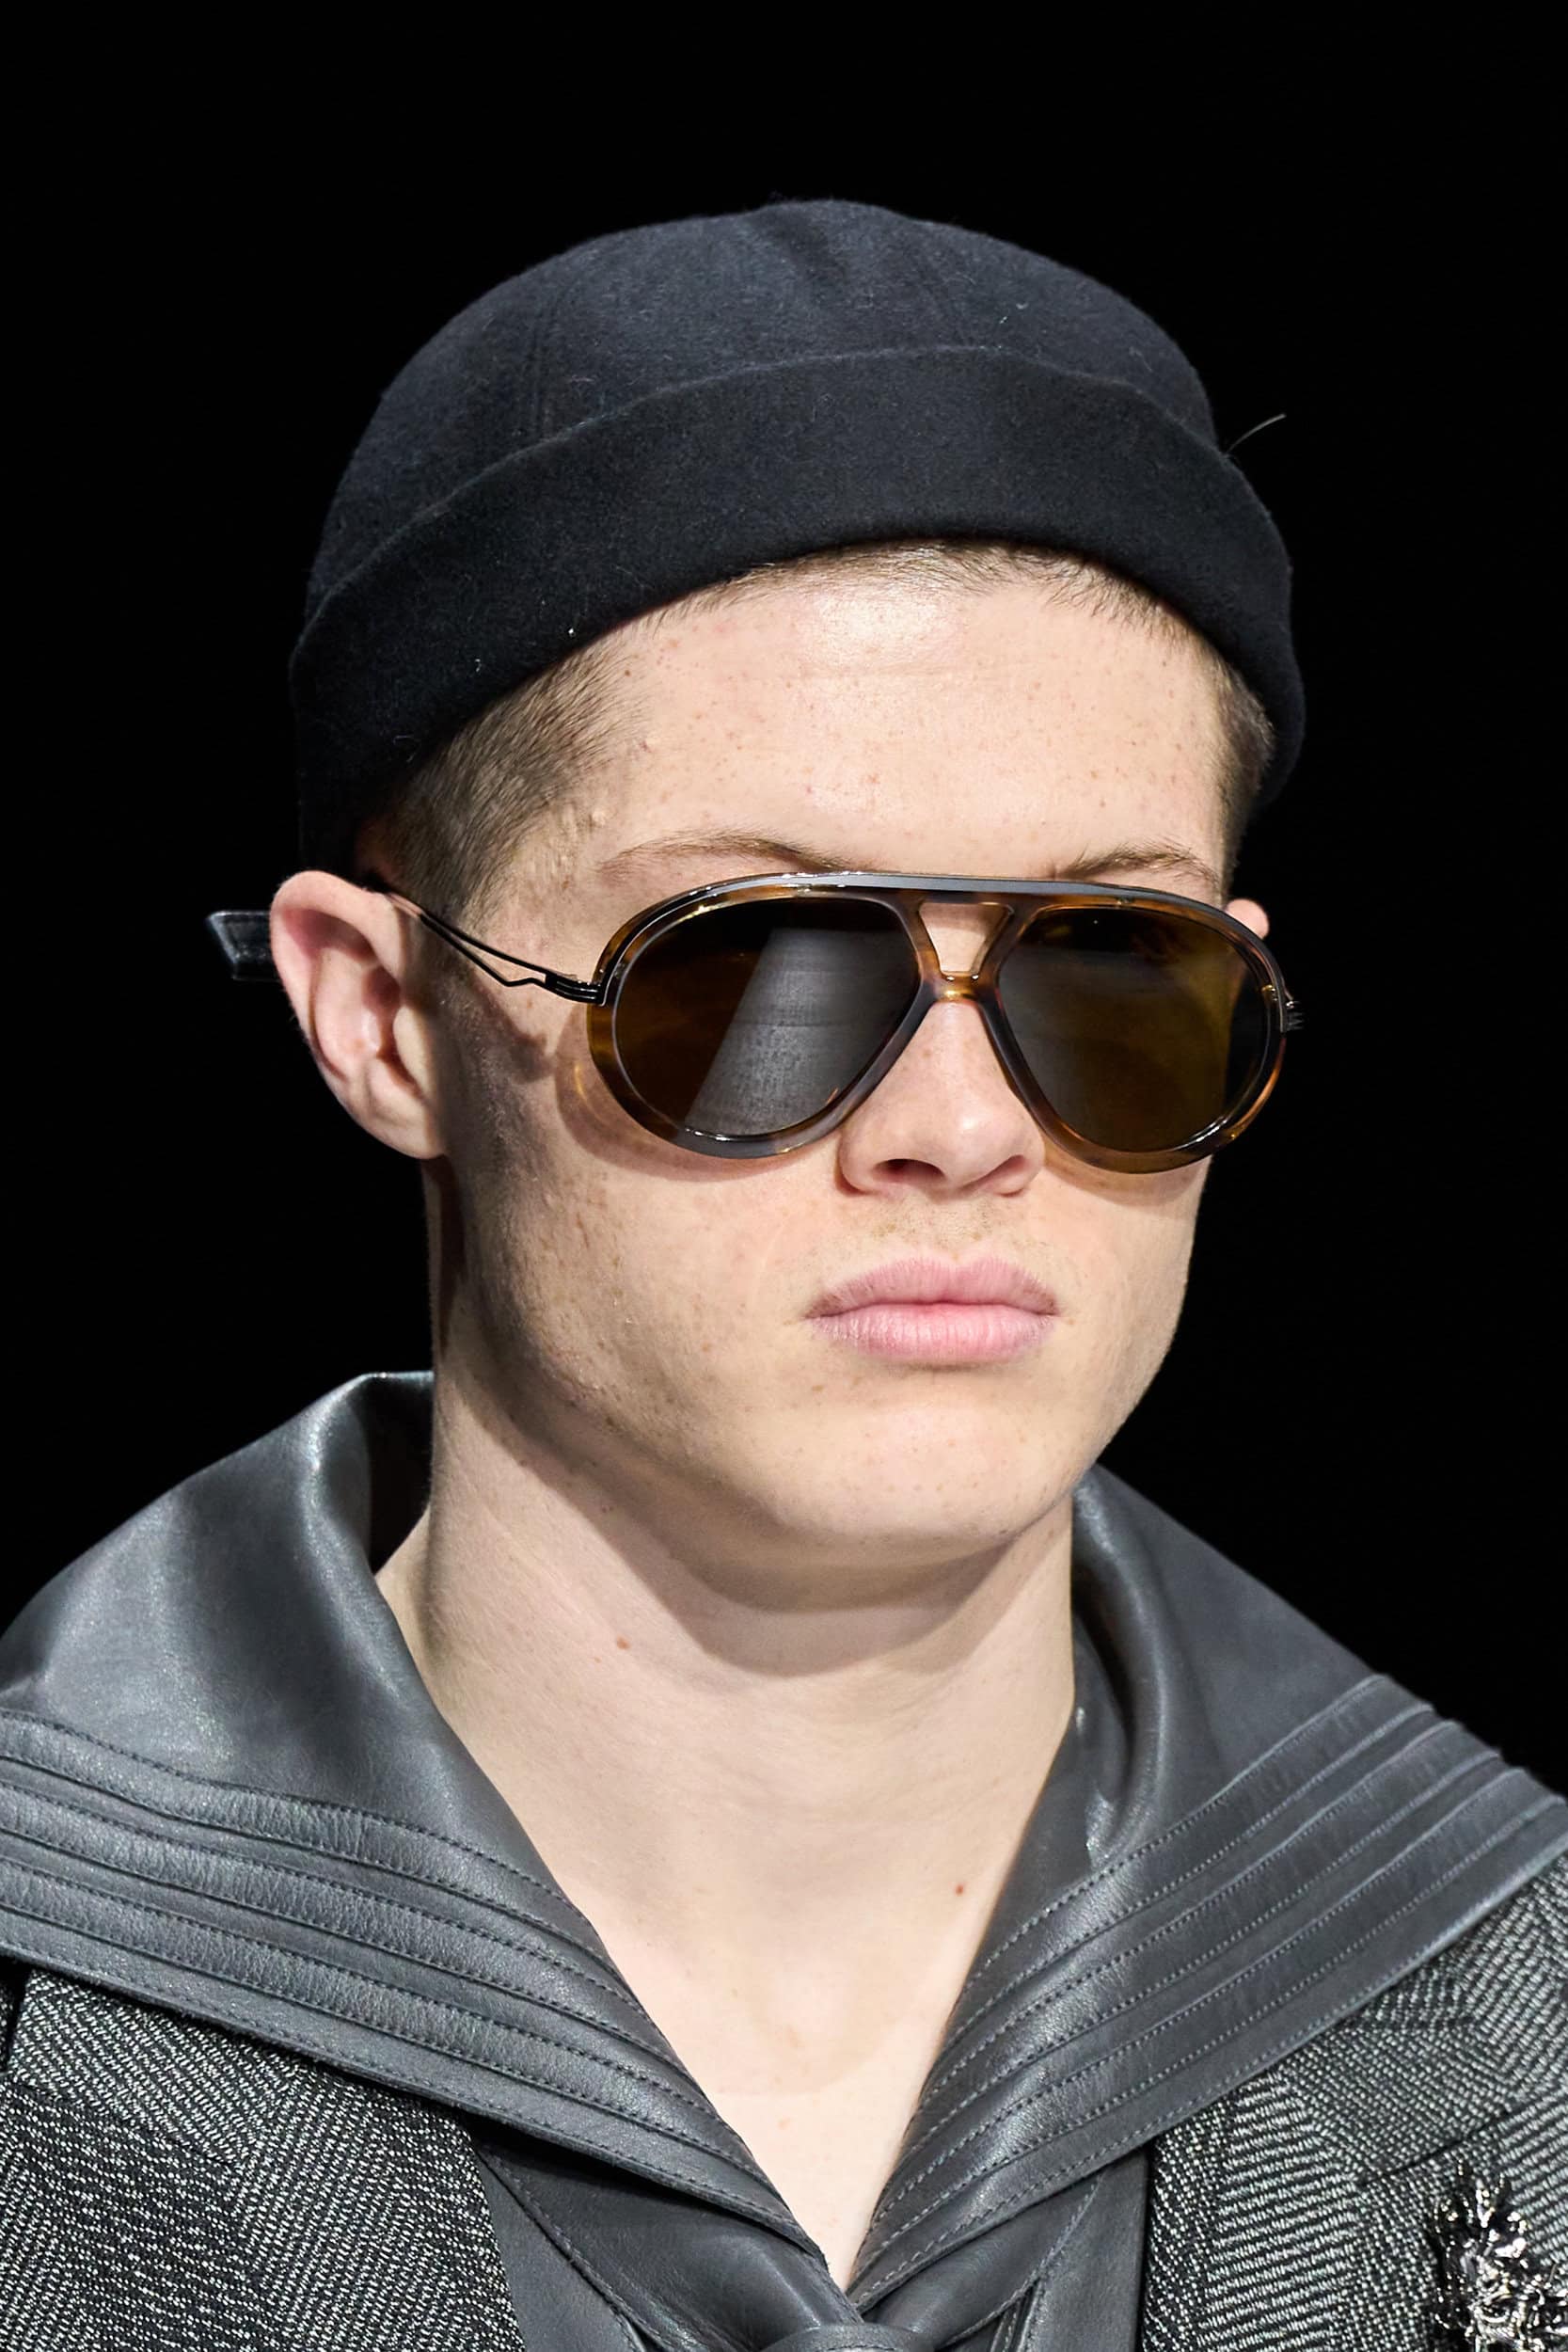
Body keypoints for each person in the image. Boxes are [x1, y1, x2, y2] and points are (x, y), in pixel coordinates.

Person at [2, 198, 1563, 2352]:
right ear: (379, 1016)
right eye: (746, 973)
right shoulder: (45, 1995)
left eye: (1112, 969)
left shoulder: (1512, 2004)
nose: (962, 1124)